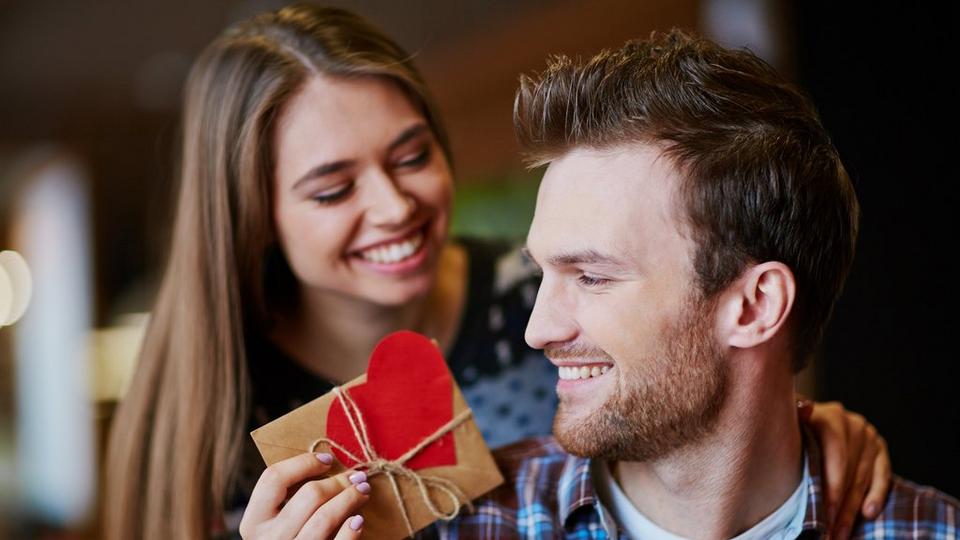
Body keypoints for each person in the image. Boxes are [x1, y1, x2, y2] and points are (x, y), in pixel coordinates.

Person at [102, 6, 891, 540]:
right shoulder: (214, 400)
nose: (394, 206)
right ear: (252, 216)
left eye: (412, 155)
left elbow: (696, 393)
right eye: (334, 189)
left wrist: (793, 437)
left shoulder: (532, 292)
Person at [430, 29, 960, 539]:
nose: (537, 331)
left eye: (591, 277)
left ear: (755, 306)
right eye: (542, 271)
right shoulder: (462, 526)